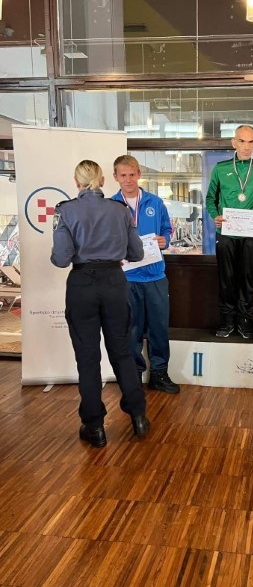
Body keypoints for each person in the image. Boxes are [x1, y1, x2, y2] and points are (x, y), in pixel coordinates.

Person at [51, 160, 149, 448]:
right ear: (104, 180)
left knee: (88, 357)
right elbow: (136, 253)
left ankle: (94, 426)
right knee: (122, 351)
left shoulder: (65, 210)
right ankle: (138, 416)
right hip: (115, 284)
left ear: (77, 182)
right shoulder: (120, 210)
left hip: (82, 285)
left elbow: (61, 259)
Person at [111, 155, 180, 393]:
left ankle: (159, 374)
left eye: (132, 174)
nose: (128, 180)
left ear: (139, 174)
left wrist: (165, 240)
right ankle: (134, 377)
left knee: (158, 328)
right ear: (115, 177)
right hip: (127, 278)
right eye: (123, 175)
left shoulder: (155, 202)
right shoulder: (111, 206)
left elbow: (167, 230)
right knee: (131, 330)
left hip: (155, 277)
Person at [205, 125, 253, 339]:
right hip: (226, 232)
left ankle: (244, 321)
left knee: (248, 278)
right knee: (226, 279)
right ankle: (227, 321)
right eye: (242, 141)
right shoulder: (220, 168)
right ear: (234, 143)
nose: (246, 146)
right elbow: (210, 198)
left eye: (251, 141)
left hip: (251, 234)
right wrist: (215, 215)